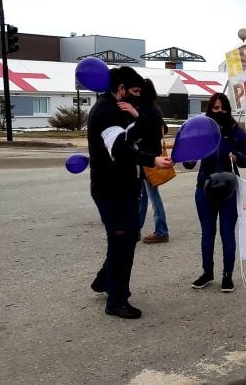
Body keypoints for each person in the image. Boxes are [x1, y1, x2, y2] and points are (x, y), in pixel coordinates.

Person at [88, 67, 173, 319]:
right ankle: (117, 300)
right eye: (133, 92)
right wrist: (152, 160)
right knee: (122, 243)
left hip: (126, 187)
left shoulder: (120, 109)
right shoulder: (105, 112)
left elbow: (149, 132)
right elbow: (122, 150)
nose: (136, 97)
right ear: (121, 88)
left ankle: (105, 280)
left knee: (125, 238)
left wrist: (138, 116)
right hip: (112, 189)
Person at [186, 93, 246, 293]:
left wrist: (237, 156)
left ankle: (227, 275)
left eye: (223, 108)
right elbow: (189, 163)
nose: (219, 112)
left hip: (229, 190)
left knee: (227, 233)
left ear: (228, 109)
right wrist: (189, 155)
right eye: (215, 108)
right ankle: (207, 272)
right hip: (204, 188)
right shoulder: (201, 132)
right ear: (209, 110)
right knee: (207, 233)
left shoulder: (237, 132)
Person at [137, 79, 170, 244]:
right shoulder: (154, 108)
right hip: (153, 155)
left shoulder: (142, 109)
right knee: (143, 195)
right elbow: (165, 128)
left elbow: (139, 131)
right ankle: (135, 229)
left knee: (151, 195)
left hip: (147, 159)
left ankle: (161, 230)